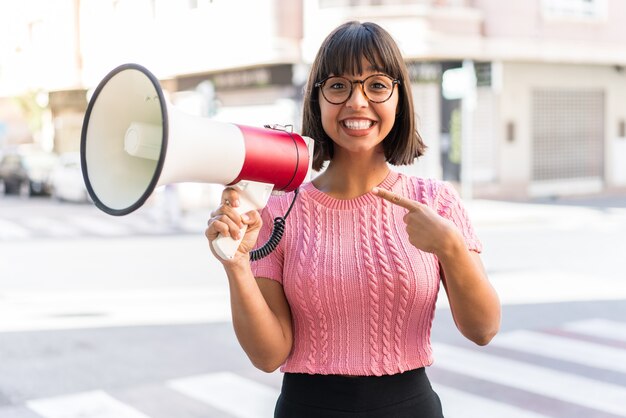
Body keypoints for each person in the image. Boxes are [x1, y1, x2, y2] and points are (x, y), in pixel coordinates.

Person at [205, 20, 501, 418]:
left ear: (399, 98)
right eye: (338, 86)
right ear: (318, 100)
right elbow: (268, 355)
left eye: (376, 85)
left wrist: (450, 246)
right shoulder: (278, 210)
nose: (357, 102)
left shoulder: (436, 201)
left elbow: (482, 330)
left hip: (409, 407)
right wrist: (236, 266)